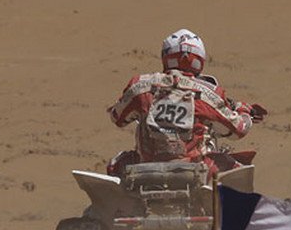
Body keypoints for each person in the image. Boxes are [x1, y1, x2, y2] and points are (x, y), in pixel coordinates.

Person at [107, 29, 265, 178]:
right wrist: (244, 112)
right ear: (199, 60)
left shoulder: (140, 86)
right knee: (235, 170)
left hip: (145, 168)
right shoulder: (208, 93)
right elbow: (239, 130)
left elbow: (117, 118)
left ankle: (117, 205)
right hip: (197, 169)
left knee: (116, 164)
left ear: (166, 57)